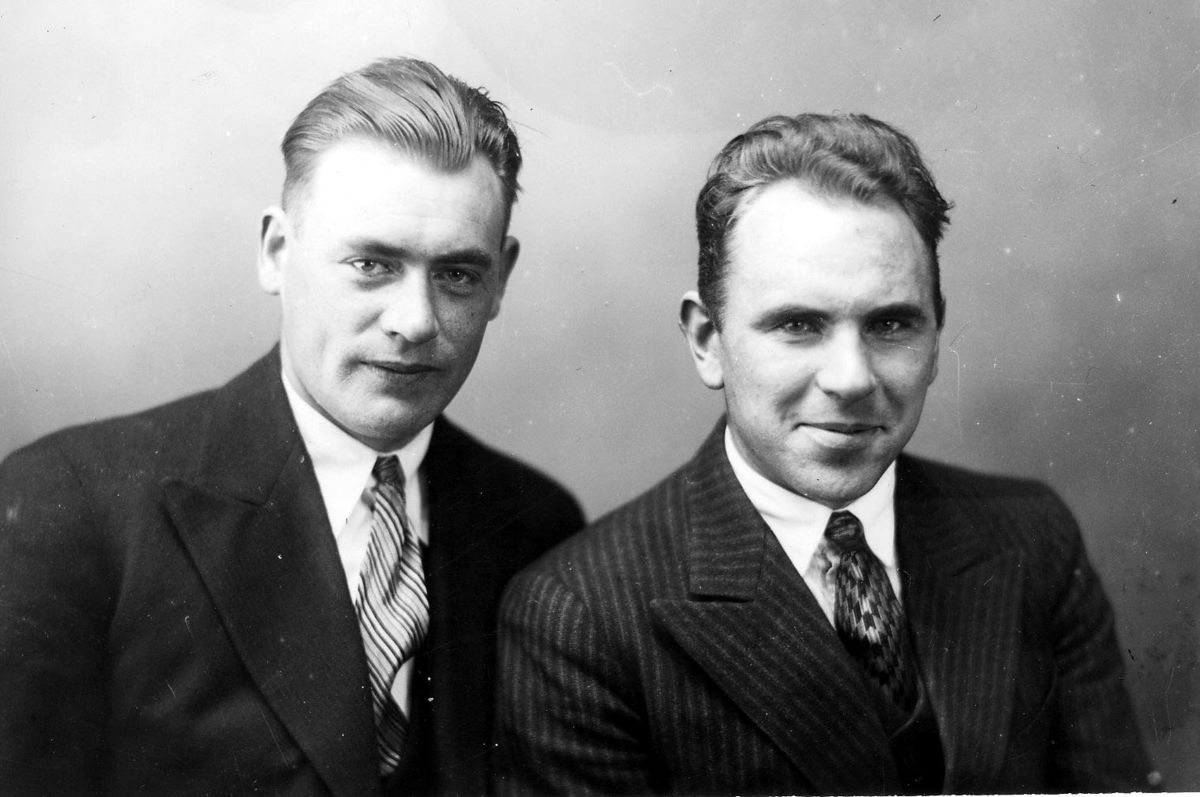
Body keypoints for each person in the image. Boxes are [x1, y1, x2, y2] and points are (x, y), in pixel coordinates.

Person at [493, 113, 1157, 795]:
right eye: (798, 324)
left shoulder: (1031, 538)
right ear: (707, 341)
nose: (851, 378)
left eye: (890, 323)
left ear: (936, 336)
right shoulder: (580, 616)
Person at [0, 56, 582, 796]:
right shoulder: (70, 504)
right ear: (277, 252)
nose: (414, 321)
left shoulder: (535, 524)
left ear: (501, 279)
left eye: (458, 275)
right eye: (371, 264)